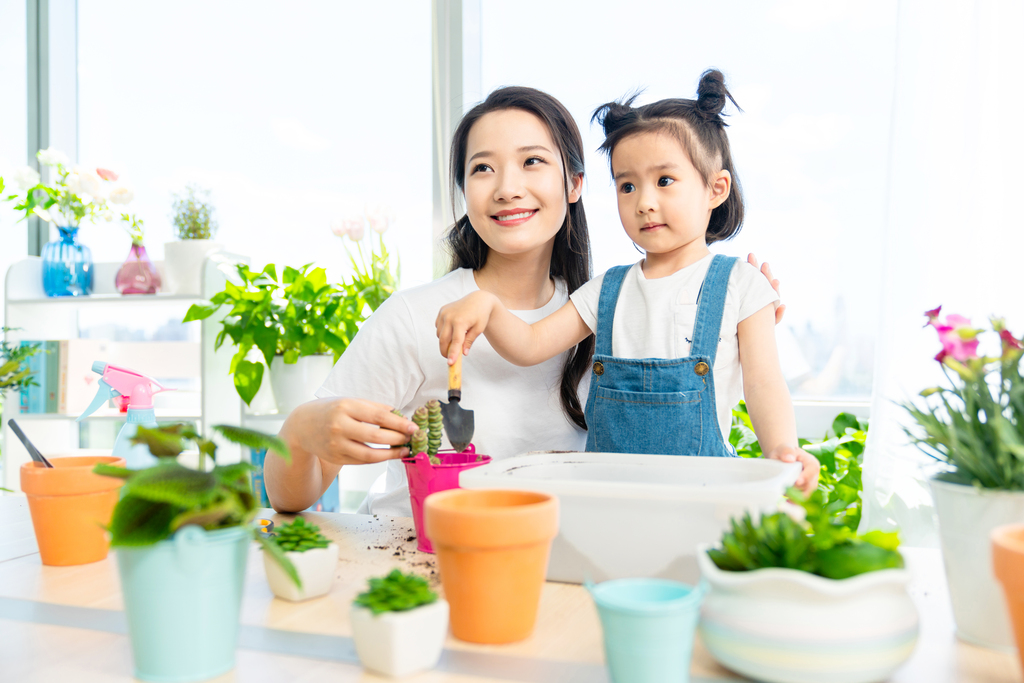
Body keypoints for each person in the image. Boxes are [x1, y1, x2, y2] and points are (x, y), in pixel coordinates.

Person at [267, 85, 792, 514]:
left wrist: (735, 322)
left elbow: (719, 404)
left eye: (532, 162)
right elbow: (291, 496)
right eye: (482, 168)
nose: (506, 188)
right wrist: (303, 430)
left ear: (575, 184)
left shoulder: (607, 316)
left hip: (569, 568)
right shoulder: (412, 318)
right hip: (421, 564)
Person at [436, 71, 819, 494]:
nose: (644, 202)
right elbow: (528, 346)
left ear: (716, 187)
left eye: (665, 181)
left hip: (703, 496)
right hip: (609, 500)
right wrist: (488, 308)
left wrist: (783, 449)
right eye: (627, 185)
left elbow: (764, 383)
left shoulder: (742, 284)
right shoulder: (608, 290)